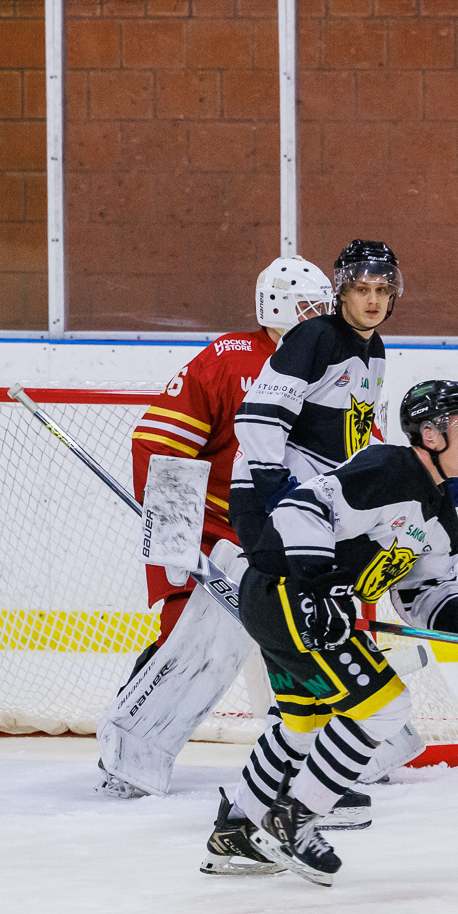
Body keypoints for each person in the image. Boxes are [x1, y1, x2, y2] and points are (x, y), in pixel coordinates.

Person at [203, 379, 458, 885]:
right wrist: (319, 584)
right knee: (385, 706)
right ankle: (294, 821)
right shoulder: (389, 468)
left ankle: (238, 829)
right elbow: (300, 508)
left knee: (301, 724)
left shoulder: (439, 510)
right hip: (289, 595)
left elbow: (425, 591)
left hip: (291, 605)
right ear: (431, 435)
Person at [92, 256, 334, 800]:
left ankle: (329, 751)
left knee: (314, 641)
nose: (321, 318)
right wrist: (179, 538)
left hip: (298, 537)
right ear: (276, 309)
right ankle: (128, 752)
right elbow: (159, 444)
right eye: (308, 308)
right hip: (216, 536)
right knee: (186, 644)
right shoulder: (229, 360)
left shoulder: (336, 366)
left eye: (324, 307)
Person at [230, 238, 398, 553]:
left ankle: (238, 567)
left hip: (318, 499)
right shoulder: (316, 336)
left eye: (382, 290)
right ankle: (241, 567)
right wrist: (278, 490)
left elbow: (355, 436)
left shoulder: (375, 349)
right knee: (299, 582)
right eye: (362, 289)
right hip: (269, 495)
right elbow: (258, 417)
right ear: (343, 292)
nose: (373, 300)